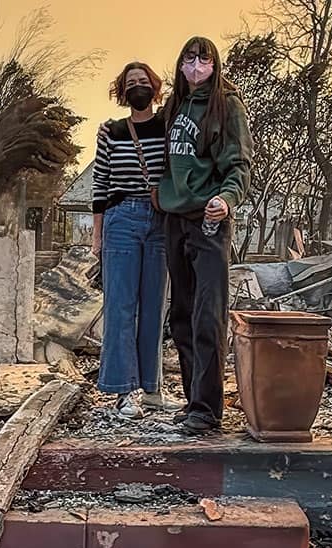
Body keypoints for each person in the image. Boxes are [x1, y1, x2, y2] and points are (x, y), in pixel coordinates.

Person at [158, 37, 253, 434]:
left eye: (204, 59)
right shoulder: (174, 106)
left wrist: (227, 199)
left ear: (215, 65)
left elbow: (239, 164)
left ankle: (208, 408)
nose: (196, 65)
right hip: (175, 219)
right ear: (180, 63)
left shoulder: (227, 106)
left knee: (208, 315)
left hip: (209, 220)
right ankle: (193, 399)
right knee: (181, 315)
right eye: (189, 57)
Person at [91, 62, 181, 419]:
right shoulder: (111, 131)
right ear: (122, 91)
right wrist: (97, 236)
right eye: (131, 83)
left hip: (159, 219)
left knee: (155, 306)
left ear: (155, 88)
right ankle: (123, 391)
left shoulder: (168, 127)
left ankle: (153, 389)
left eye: (143, 81)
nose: (137, 87)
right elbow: (100, 184)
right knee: (120, 306)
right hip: (121, 218)